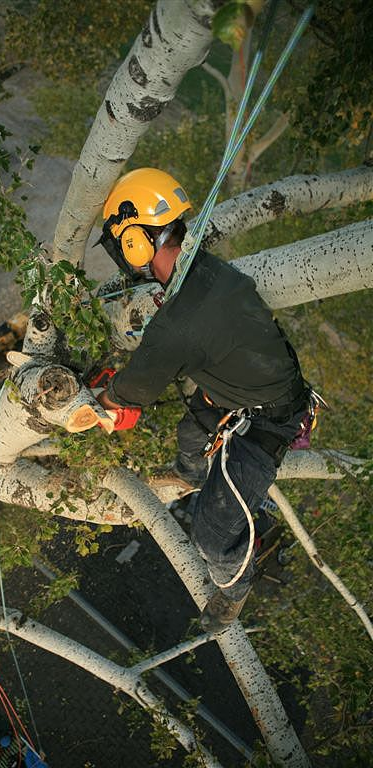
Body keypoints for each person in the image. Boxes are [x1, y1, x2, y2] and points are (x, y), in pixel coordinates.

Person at [96, 167, 310, 633]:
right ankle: (192, 475)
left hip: (269, 420)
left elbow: (132, 391)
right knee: (191, 435)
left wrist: (102, 399)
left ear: (135, 242)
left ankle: (235, 589)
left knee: (210, 537)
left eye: (121, 246)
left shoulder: (179, 322)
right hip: (243, 386)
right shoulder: (203, 269)